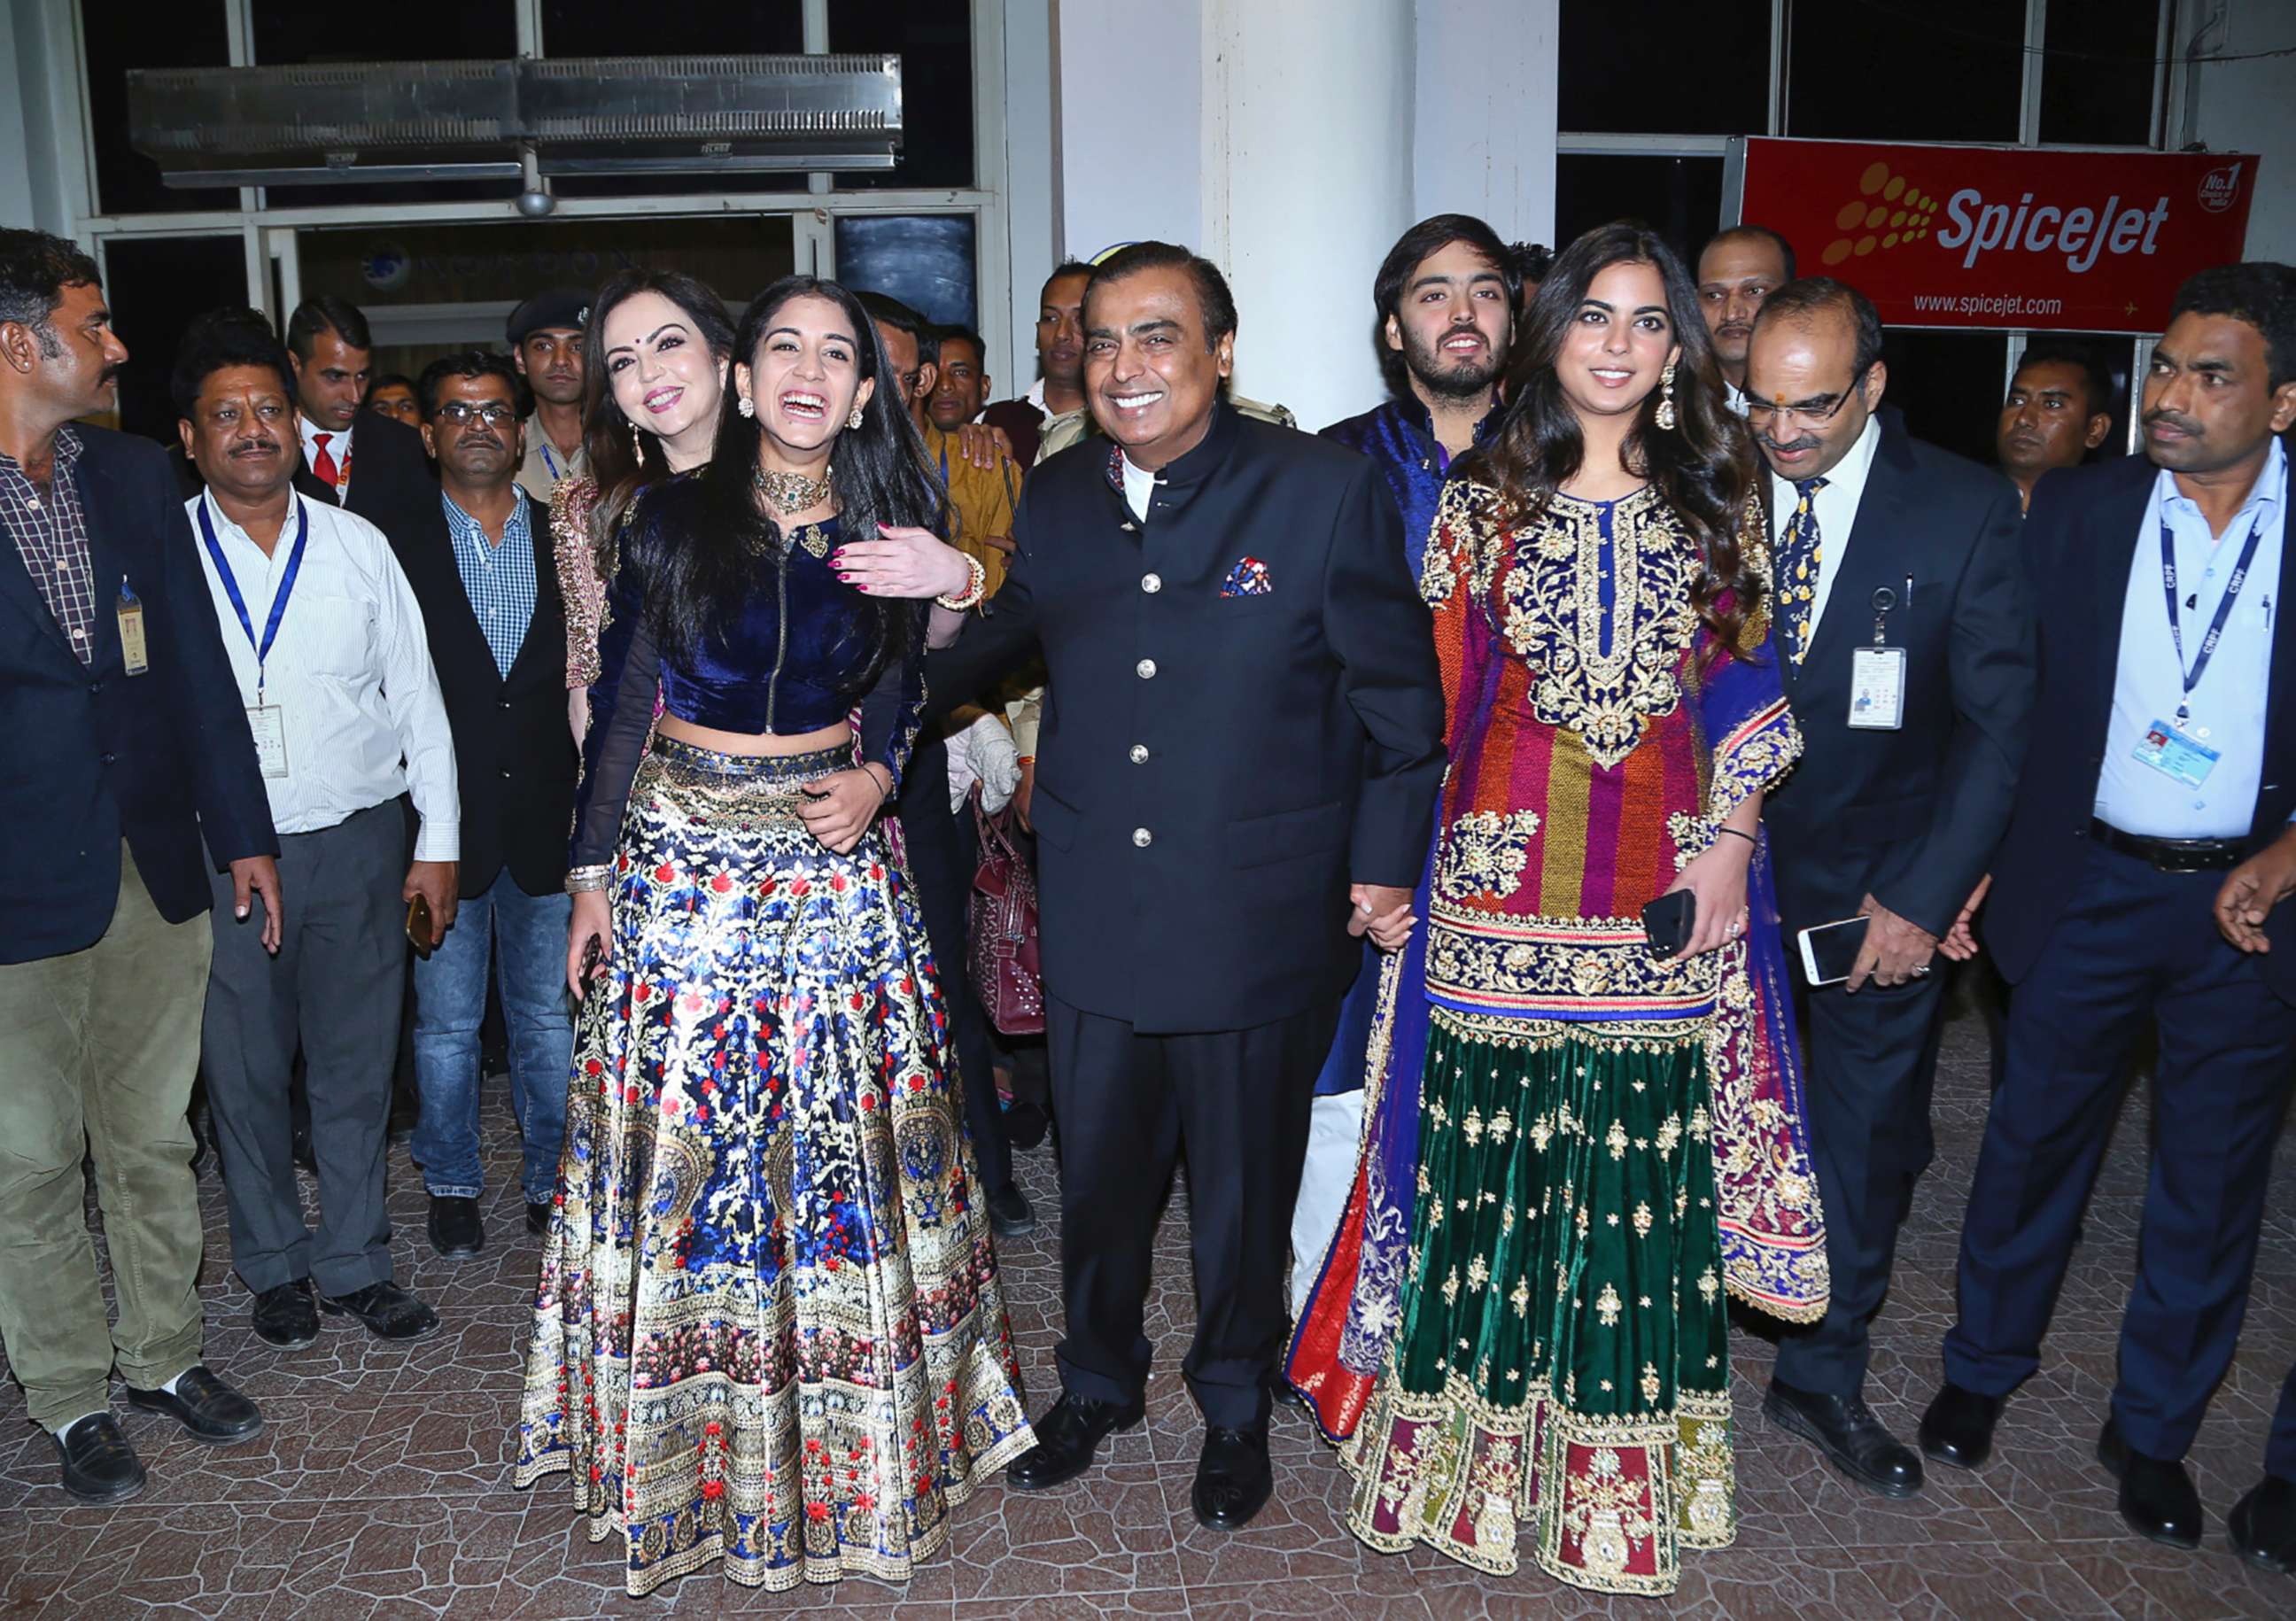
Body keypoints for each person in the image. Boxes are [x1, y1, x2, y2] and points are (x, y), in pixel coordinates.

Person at [1289, 222, 1825, 1595]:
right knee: (1486, 1187)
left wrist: (1728, 851)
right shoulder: (1482, 502)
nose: (1619, 343)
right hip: (1491, 899)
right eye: (1595, 315)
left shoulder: (1721, 501)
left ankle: (1610, 1489)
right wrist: (1398, 863)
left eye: (1650, 323)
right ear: (1553, 333)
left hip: (1657, 906)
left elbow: (1747, 696)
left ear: (1676, 351)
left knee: (1634, 1197)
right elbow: (1433, 709)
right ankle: (1462, 1470)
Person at [891, 241, 1447, 1534]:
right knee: (1103, 1173)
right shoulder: (1065, 488)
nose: (1126, 366)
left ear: (1221, 351)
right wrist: (885, 677)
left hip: (1256, 904)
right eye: (1102, 341)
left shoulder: (1318, 492)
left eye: (1157, 337)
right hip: (1096, 892)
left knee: (1242, 1184)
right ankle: (1098, 1383)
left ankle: (1236, 1400)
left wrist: (1378, 864)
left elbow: (1397, 701)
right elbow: (1028, 618)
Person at [517, 275, 1031, 1597]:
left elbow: (912, 673)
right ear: (744, 382)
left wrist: (878, 767)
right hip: (684, 858)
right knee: (700, 1142)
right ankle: (684, 1442)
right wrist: (589, 873)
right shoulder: (669, 519)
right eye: (781, 347)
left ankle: (852, 1440)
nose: (806, 370)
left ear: (867, 389)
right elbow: (625, 697)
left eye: (836, 354)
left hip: (831, 860)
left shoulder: (892, 522)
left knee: (834, 1138)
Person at [1920, 262, 2296, 1554]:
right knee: (2030, 1144)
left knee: (2209, 1180)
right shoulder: (2077, 511)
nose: (2170, 396)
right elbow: (2010, 707)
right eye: (2167, 367)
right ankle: (1980, 1368)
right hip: (2083, 880)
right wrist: (1974, 862)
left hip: (2247, 913)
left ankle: (2154, 1433)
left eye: (2212, 375)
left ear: (2284, 400)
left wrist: (2291, 852)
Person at [0, 229, 280, 1502]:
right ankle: (66, 1395)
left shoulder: (124, 477)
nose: (117, 345)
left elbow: (199, 678)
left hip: (152, 861)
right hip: (12, 890)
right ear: (20, 342)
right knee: (29, 1157)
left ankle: (164, 1355)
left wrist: (247, 835)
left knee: (152, 1136)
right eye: (92, 321)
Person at [1742, 278, 2033, 1499]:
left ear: (1872, 385)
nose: (1784, 431)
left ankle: (1822, 1367)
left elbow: (2001, 724)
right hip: (1718, 887)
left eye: (1813, 404)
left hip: (1876, 893)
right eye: (1759, 402)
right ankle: (1684, 1334)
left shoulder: (1960, 507)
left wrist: (1925, 895)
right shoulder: (1700, 485)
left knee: (1859, 1141)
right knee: (1708, 1122)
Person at [179, 311, 460, 1352]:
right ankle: (273, 1265)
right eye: (227, 416)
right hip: (226, 855)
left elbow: (418, 702)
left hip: (357, 841)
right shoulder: (166, 555)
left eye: (267, 411)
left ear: (294, 425)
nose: (253, 430)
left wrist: (437, 842)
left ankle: (354, 1261)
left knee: (353, 1064)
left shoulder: (358, 545)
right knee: (244, 1071)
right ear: (191, 437)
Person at [1292, 213, 1518, 1327]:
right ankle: (1325, 1323)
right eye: (1434, 293)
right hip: (1355, 828)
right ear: (1395, 327)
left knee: (1491, 1086)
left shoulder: (1570, 465)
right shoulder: (1329, 468)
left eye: (1484, 290)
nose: (1462, 313)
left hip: (1521, 838)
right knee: (1338, 1078)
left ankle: (1473, 1322)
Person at [397, 350, 578, 1255]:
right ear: (429, 432)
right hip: (441, 829)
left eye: (497, 412)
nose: (479, 426)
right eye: (458, 411)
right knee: (447, 1026)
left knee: (549, 1020)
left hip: (550, 822)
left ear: (522, 430)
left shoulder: (567, 536)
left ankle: (552, 1179)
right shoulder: (390, 543)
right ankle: (454, 1180)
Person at [859, 292, 1031, 1237]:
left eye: (895, 366)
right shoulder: (785, 475)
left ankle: (988, 1172)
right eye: (859, 362)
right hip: (806, 786)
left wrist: (960, 580)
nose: (877, 383)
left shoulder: (940, 479)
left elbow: (965, 632)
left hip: (914, 766)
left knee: (941, 979)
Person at [549, 269, 735, 742]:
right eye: (623, 363)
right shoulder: (590, 510)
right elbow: (589, 694)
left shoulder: (804, 484)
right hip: (663, 795)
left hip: (824, 787)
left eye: (667, 344)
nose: (649, 372)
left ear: (723, 357)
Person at [284, 296, 431, 516]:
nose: (354, 395)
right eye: (335, 376)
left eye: (362, 376)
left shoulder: (409, 450)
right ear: (294, 364)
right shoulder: (265, 446)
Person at [981, 260, 1094, 468]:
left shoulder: (1118, 424)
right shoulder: (996, 422)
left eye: (1079, 319)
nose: (1061, 334)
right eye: (1050, 318)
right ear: (1037, 333)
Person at [1996, 341, 2116, 513]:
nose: (2023, 419)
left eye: (2052, 404)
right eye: (2017, 401)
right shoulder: (1957, 500)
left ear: (2095, 430)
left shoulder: (2112, 517)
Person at [1696, 225, 1796, 414]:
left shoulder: (1833, 397)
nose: (1732, 314)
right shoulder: (1666, 408)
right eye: (1714, 295)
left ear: (1791, 296)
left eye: (1754, 291)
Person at [508, 287, 588, 503]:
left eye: (578, 346)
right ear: (520, 359)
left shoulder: (632, 447)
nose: (561, 360)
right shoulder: (502, 447)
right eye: (543, 346)